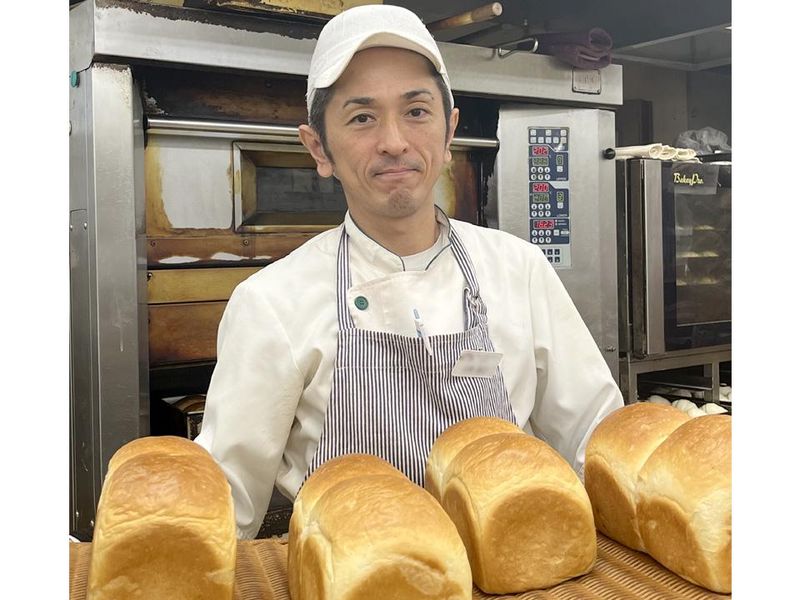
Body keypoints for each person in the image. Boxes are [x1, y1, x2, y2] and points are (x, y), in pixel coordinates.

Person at [195, 4, 623, 539]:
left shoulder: (520, 270)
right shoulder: (272, 301)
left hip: (508, 565)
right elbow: (221, 510)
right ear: (318, 148)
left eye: (417, 111)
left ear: (449, 134)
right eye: (362, 117)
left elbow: (597, 447)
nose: (394, 141)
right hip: (353, 570)